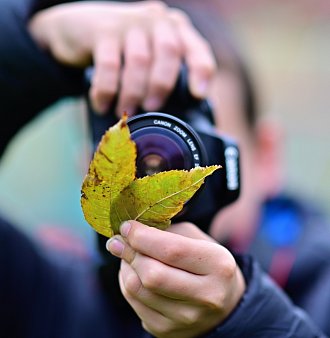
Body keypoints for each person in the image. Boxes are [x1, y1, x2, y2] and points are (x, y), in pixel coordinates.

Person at [0, 0, 327, 337]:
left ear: (265, 158)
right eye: (130, 155)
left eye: (197, 141)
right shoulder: (45, 300)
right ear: (89, 171)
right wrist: (35, 41)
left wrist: (244, 320)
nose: (159, 177)